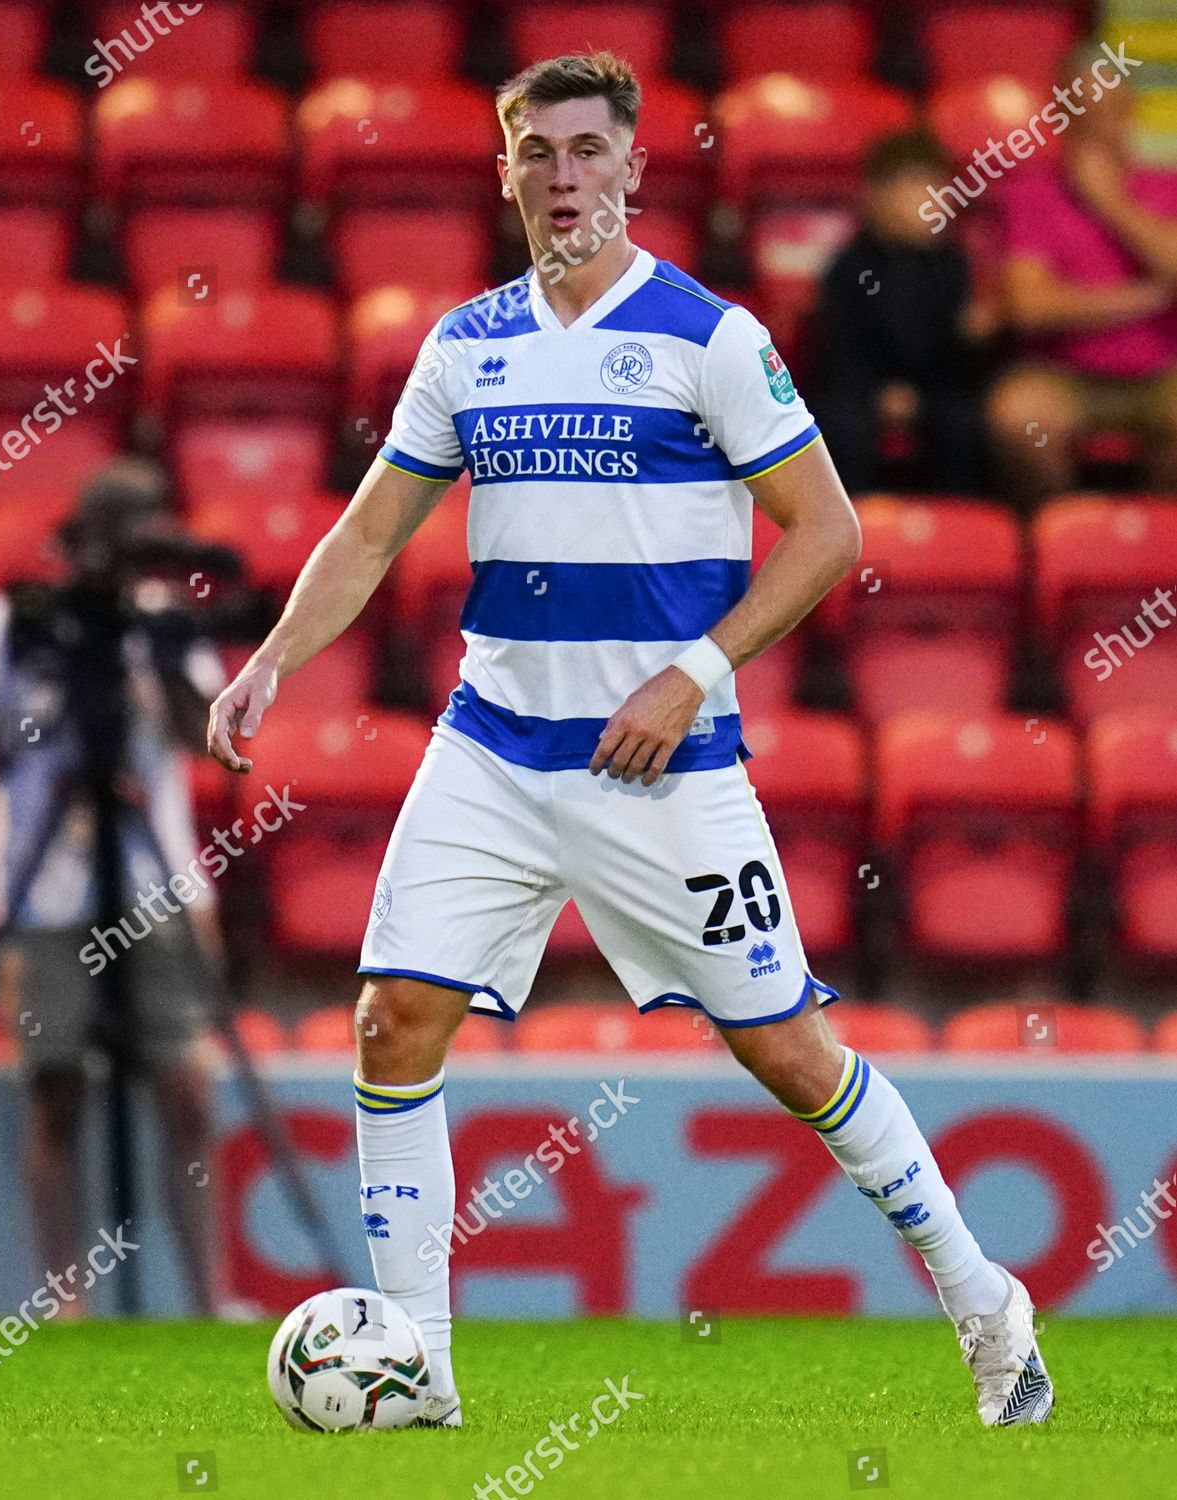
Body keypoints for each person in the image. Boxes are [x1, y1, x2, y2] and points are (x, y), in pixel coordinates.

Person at [208, 52, 1053, 1428]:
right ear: (504, 173)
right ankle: (419, 1364)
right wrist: (271, 661)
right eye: (535, 153)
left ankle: (976, 1293)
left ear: (633, 168)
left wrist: (689, 674)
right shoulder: (466, 345)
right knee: (393, 1015)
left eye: (587, 150)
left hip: (661, 766)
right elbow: (372, 529)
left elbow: (828, 531)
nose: (561, 177)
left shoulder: (707, 337)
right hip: (490, 747)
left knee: (786, 1053)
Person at [0, 458, 223, 1316]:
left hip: (154, 884)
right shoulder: (23, 625)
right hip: (50, 886)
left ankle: (209, 1297)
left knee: (187, 1090)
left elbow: (207, 742)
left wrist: (153, 657)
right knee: (55, 1092)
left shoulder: (164, 627)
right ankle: (67, 1304)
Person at [988, 40, 1177, 507]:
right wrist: (1149, 296)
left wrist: (1112, 203)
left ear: (1129, 113)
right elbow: (1029, 308)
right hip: (1061, 375)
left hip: (1162, 373)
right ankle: (1067, 540)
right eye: (1084, 110)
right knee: (1016, 417)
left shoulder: (1165, 186)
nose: (1098, 126)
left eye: (1109, 111)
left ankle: (1152, 547)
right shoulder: (1030, 195)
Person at [811, 129, 995, 495]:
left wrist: (977, 335)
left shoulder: (952, 266)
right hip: (860, 390)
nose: (937, 203)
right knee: (843, 426)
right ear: (876, 198)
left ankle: (955, 525)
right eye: (918, 190)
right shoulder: (849, 267)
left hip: (936, 387)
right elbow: (840, 347)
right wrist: (878, 391)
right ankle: (855, 525)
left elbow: (955, 352)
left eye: (940, 190)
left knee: (961, 422)